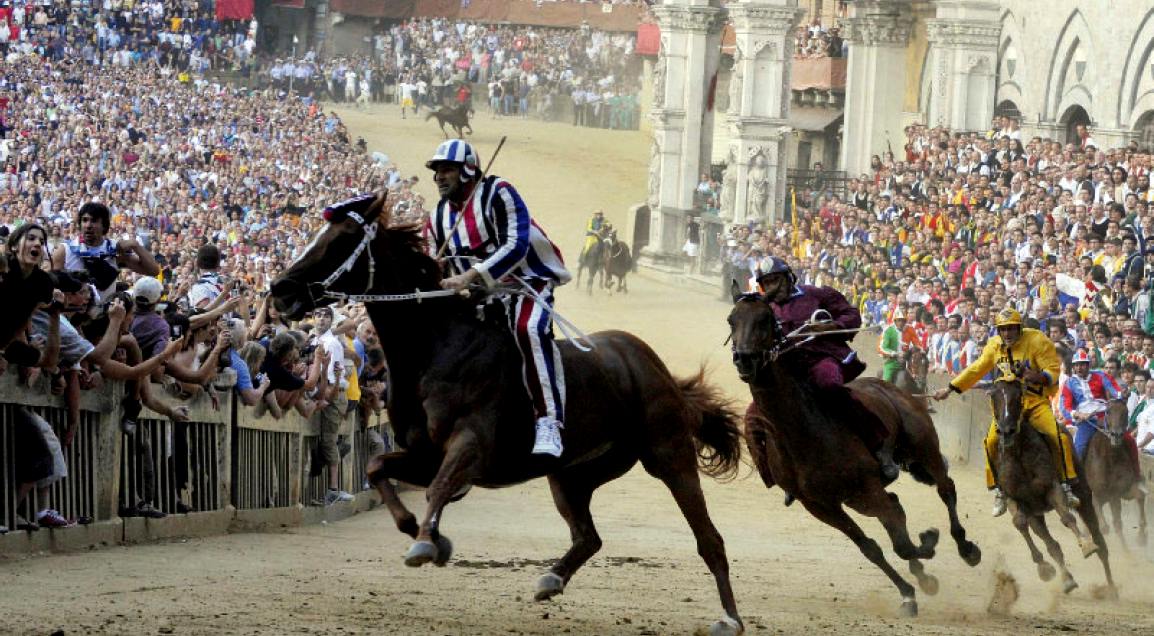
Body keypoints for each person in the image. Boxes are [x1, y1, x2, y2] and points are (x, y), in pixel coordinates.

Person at [424, 138, 571, 457]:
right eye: (436, 171)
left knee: (528, 330)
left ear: (467, 171)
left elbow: (516, 245)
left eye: (446, 169)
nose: (438, 177)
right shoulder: (437, 217)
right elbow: (435, 262)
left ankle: (549, 420)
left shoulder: (498, 191)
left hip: (526, 282)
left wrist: (471, 274)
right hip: (480, 296)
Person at [753, 255, 898, 481]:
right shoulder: (763, 309)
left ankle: (877, 445)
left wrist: (831, 325)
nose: (772, 286)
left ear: (788, 278)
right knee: (751, 417)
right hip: (787, 370)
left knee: (829, 385)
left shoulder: (816, 294)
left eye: (776, 280)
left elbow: (851, 315)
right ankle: (776, 474)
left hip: (821, 358)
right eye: (767, 282)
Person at [932, 308, 1078, 516]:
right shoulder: (993, 345)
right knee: (991, 441)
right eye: (1003, 329)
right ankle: (1000, 490)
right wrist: (950, 388)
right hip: (1008, 405)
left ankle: (1066, 485)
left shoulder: (1037, 340)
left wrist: (1032, 375)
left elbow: (1053, 371)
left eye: (1011, 329)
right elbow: (976, 369)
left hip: (1034, 401)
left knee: (1057, 435)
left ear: (1019, 328)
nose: (1007, 333)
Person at [1060, 348, 1147, 494]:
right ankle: (1075, 486)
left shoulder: (1101, 376)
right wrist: (1077, 414)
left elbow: (1114, 390)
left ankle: (1137, 479)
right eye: (1077, 365)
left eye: (1083, 364)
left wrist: (1121, 393)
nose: (1079, 367)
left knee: (1130, 441)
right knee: (1078, 450)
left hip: (1105, 416)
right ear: (1073, 367)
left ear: (1088, 365)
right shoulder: (1069, 383)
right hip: (1086, 422)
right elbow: (1064, 407)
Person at [51, 201, 160, 302]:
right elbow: (52, 285)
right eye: (85, 220)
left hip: (103, 317)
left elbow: (153, 270)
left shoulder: (114, 250)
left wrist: (135, 245)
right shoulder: (65, 250)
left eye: (94, 221)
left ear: (104, 226)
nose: (88, 225)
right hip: (73, 316)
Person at [878, 307, 919, 383]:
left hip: (909, 361)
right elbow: (881, 348)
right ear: (895, 321)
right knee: (886, 381)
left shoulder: (910, 329)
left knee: (920, 379)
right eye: (899, 320)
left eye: (903, 320)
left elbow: (917, 343)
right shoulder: (888, 330)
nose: (901, 323)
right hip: (892, 362)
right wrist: (895, 354)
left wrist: (920, 349)